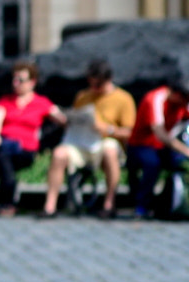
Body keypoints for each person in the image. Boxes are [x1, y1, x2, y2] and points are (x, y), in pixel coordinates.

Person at [42, 59, 136, 218]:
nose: (94, 89)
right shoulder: (83, 96)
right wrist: (67, 121)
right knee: (59, 154)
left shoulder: (123, 99)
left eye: (98, 85)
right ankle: (50, 206)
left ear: (109, 80)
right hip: (81, 141)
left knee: (110, 151)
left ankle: (109, 203)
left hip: (105, 141)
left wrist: (108, 129)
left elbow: (130, 132)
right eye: (91, 84)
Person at [0, 60, 65, 215]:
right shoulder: (6, 101)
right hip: (4, 145)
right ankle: (2, 201)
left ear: (32, 82)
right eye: (14, 79)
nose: (15, 83)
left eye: (20, 80)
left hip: (25, 149)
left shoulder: (41, 102)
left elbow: (61, 119)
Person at [127, 77, 189, 219]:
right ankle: (142, 205)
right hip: (142, 145)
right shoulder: (155, 99)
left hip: (165, 147)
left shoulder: (184, 101)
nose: (186, 105)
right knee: (152, 164)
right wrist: (187, 151)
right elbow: (160, 133)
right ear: (176, 94)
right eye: (186, 101)